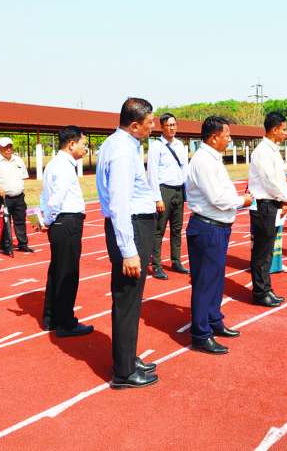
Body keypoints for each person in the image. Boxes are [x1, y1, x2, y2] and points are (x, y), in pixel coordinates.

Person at [96, 97, 159, 389]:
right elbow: (120, 203)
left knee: (130, 300)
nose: (153, 127)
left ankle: (128, 358)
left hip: (134, 225)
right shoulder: (121, 151)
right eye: (149, 122)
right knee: (128, 301)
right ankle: (124, 372)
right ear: (134, 125)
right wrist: (129, 251)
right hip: (130, 227)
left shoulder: (121, 144)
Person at [185, 116, 253, 354]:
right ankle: (201, 334)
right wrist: (242, 201)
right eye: (227, 135)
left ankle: (214, 320)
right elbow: (217, 198)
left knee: (215, 280)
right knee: (205, 282)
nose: (229, 139)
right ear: (214, 137)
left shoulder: (212, 158)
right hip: (207, 227)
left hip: (218, 227)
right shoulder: (203, 161)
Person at [39, 126, 93, 337]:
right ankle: (65, 323)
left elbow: (45, 196)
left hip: (60, 223)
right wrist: (47, 219)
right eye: (83, 144)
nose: (85, 148)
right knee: (68, 273)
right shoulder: (63, 166)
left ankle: (51, 318)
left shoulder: (54, 164)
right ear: (71, 144)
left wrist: (45, 218)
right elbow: (56, 198)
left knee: (57, 271)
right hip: (67, 221)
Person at [248, 111, 287, 308]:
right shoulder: (262, 151)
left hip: (272, 204)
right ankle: (260, 292)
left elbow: (279, 176)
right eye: (284, 129)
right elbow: (269, 181)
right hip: (264, 204)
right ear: (274, 130)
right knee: (261, 251)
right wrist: (285, 198)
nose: (286, 133)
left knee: (267, 252)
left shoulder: (273, 150)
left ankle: (266, 288)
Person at [147, 112, 190, 280]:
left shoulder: (180, 145)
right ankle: (156, 265)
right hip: (164, 190)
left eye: (174, 125)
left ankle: (176, 261)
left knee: (177, 229)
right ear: (162, 127)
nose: (172, 128)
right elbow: (152, 173)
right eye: (168, 125)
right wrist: (157, 198)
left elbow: (184, 169)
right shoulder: (156, 146)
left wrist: (187, 191)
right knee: (159, 230)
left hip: (179, 190)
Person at [0, 137, 34, 256]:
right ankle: (7, 246)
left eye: (10, 146)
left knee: (20, 221)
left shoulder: (18, 159)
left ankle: (23, 244)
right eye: (5, 147)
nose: (8, 149)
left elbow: (24, 176)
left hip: (19, 197)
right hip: (2, 198)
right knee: (5, 223)